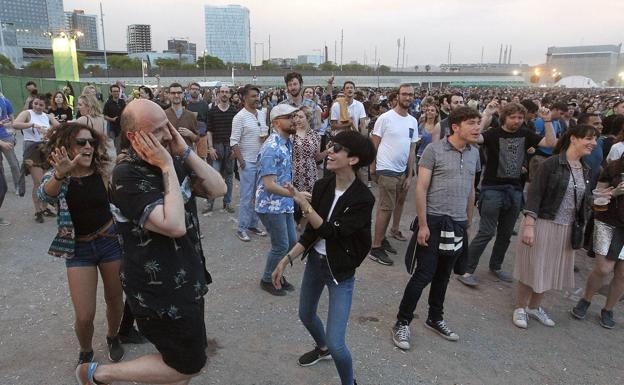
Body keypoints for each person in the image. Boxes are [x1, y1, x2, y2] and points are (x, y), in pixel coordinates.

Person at [76, 99, 226, 385]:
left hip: (189, 278)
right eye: (158, 130)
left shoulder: (173, 156)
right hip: (158, 290)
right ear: (134, 137)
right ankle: (98, 374)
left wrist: (185, 152)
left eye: (168, 127)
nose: (169, 135)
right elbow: (174, 225)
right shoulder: (126, 175)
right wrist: (169, 165)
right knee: (187, 364)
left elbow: (219, 188)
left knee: (181, 361)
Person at [272, 130, 376, 385]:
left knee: (338, 344)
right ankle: (322, 349)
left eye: (337, 148)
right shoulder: (323, 185)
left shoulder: (363, 198)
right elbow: (311, 235)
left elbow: (331, 232)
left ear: (353, 159)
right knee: (306, 315)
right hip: (316, 265)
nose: (329, 151)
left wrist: (303, 203)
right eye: (330, 146)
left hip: (340, 272)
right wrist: (286, 259)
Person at [392, 106, 481, 350]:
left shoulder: (474, 153)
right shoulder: (434, 150)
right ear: (455, 126)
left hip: (458, 223)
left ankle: (435, 317)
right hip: (433, 221)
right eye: (472, 123)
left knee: (444, 276)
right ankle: (402, 322)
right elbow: (421, 188)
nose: (477, 127)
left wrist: (468, 222)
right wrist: (422, 224)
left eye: (478, 123)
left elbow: (472, 189)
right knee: (423, 274)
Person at [38, 122, 125, 366]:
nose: (88, 146)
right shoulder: (58, 174)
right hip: (79, 250)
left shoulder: (102, 171)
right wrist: (60, 174)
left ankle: (113, 336)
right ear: (67, 147)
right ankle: (86, 350)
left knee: (115, 299)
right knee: (85, 315)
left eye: (91, 142)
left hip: (109, 242)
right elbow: (45, 194)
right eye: (81, 142)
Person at [457, 102, 556, 287]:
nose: (517, 121)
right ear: (504, 117)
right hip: (492, 190)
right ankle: (466, 269)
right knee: (486, 232)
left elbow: (551, 143)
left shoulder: (526, 134)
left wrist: (548, 121)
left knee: (505, 234)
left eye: (520, 117)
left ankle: (496, 265)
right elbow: (474, 137)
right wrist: (486, 114)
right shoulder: (493, 134)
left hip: (515, 190)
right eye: (513, 117)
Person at [512, 124, 596, 329]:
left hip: (566, 227)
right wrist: (530, 225)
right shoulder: (551, 164)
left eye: (594, 139)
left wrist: (600, 198)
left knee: (548, 269)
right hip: (543, 223)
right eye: (589, 138)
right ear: (574, 138)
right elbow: (534, 194)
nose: (593, 143)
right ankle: (520, 307)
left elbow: (581, 198)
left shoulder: (586, 169)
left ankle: (534, 307)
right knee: (532, 267)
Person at [571, 153, 624, 328]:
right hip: (607, 223)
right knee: (603, 268)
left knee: (622, 274)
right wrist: (615, 193)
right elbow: (597, 200)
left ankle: (608, 309)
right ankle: (586, 298)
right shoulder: (614, 168)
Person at [369, 84, 419, 266]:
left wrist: (409, 174)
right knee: (385, 207)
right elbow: (374, 144)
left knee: (391, 206)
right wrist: (372, 167)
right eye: (404, 94)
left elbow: (412, 149)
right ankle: (375, 247)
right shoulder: (385, 118)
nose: (407, 97)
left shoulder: (413, 121)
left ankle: (381, 239)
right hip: (386, 169)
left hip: (401, 172)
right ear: (397, 96)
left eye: (410, 94)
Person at [255, 103, 301, 296]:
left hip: (284, 203)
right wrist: (296, 195)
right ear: (275, 122)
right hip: (270, 205)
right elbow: (269, 185)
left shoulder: (286, 142)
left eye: (295, 116)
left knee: (291, 242)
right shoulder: (271, 147)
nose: (294, 120)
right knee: (281, 244)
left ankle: (277, 273)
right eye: (289, 117)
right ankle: (268, 279)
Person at [13, 94, 60, 222]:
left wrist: (50, 122)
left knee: (47, 180)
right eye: (36, 103)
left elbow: (58, 126)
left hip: (46, 149)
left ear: (45, 106)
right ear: (32, 103)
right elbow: (15, 124)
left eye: (41, 105)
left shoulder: (46, 116)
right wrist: (32, 125)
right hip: (32, 150)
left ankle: (44, 208)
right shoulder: (27, 113)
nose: (38, 107)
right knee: (38, 182)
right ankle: (37, 210)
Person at [230, 84, 268, 242]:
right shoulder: (239, 117)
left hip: (261, 162)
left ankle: (253, 224)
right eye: (253, 96)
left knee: (258, 196)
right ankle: (241, 228)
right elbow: (234, 141)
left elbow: (264, 133)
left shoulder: (261, 113)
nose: (257, 98)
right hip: (248, 162)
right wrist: (242, 162)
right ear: (245, 98)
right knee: (246, 196)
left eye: (257, 95)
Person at [204, 85, 237, 214]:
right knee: (214, 177)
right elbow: (209, 131)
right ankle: (210, 202)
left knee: (229, 177)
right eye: (222, 92)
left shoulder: (234, 111)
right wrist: (210, 148)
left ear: (230, 95)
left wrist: (235, 149)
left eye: (227, 92)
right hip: (216, 147)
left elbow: (238, 132)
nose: (224, 94)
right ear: (218, 94)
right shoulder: (212, 111)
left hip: (230, 148)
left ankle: (227, 202)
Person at [292, 106, 324, 226]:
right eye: (295, 116)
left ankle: (304, 226)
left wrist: (328, 151)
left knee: (309, 202)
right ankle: (293, 225)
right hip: (293, 171)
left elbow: (317, 157)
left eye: (301, 117)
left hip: (310, 173)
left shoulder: (316, 135)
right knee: (293, 201)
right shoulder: (291, 133)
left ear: (308, 118)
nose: (297, 119)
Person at [164, 83, 199, 148]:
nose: (176, 95)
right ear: (169, 95)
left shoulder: (191, 115)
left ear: (183, 94)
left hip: (187, 156)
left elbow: (197, 139)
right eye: (173, 93)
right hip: (169, 155)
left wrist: (190, 134)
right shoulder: (163, 115)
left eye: (179, 93)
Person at [0, 92, 20, 193]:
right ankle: (2, 187)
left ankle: (18, 185)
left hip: (6, 136)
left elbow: (12, 117)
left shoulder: (4, 101)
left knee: (13, 163)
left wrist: (13, 131)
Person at [103, 84, 126, 152]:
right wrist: (112, 119)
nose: (116, 93)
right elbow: (104, 115)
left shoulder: (122, 102)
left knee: (121, 144)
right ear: (111, 92)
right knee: (115, 145)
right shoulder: (108, 103)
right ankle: (118, 159)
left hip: (122, 127)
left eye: (117, 91)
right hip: (112, 128)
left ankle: (120, 158)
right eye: (114, 91)